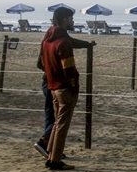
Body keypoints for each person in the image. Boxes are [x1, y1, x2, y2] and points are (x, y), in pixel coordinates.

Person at [34, 12, 95, 159]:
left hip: (49, 81)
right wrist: (73, 85)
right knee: (59, 122)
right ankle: (48, 148)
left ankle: (51, 150)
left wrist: (87, 45)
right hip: (60, 84)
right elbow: (68, 68)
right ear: (64, 20)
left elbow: (40, 63)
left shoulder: (48, 38)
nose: (73, 21)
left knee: (52, 117)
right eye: (71, 19)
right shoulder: (62, 41)